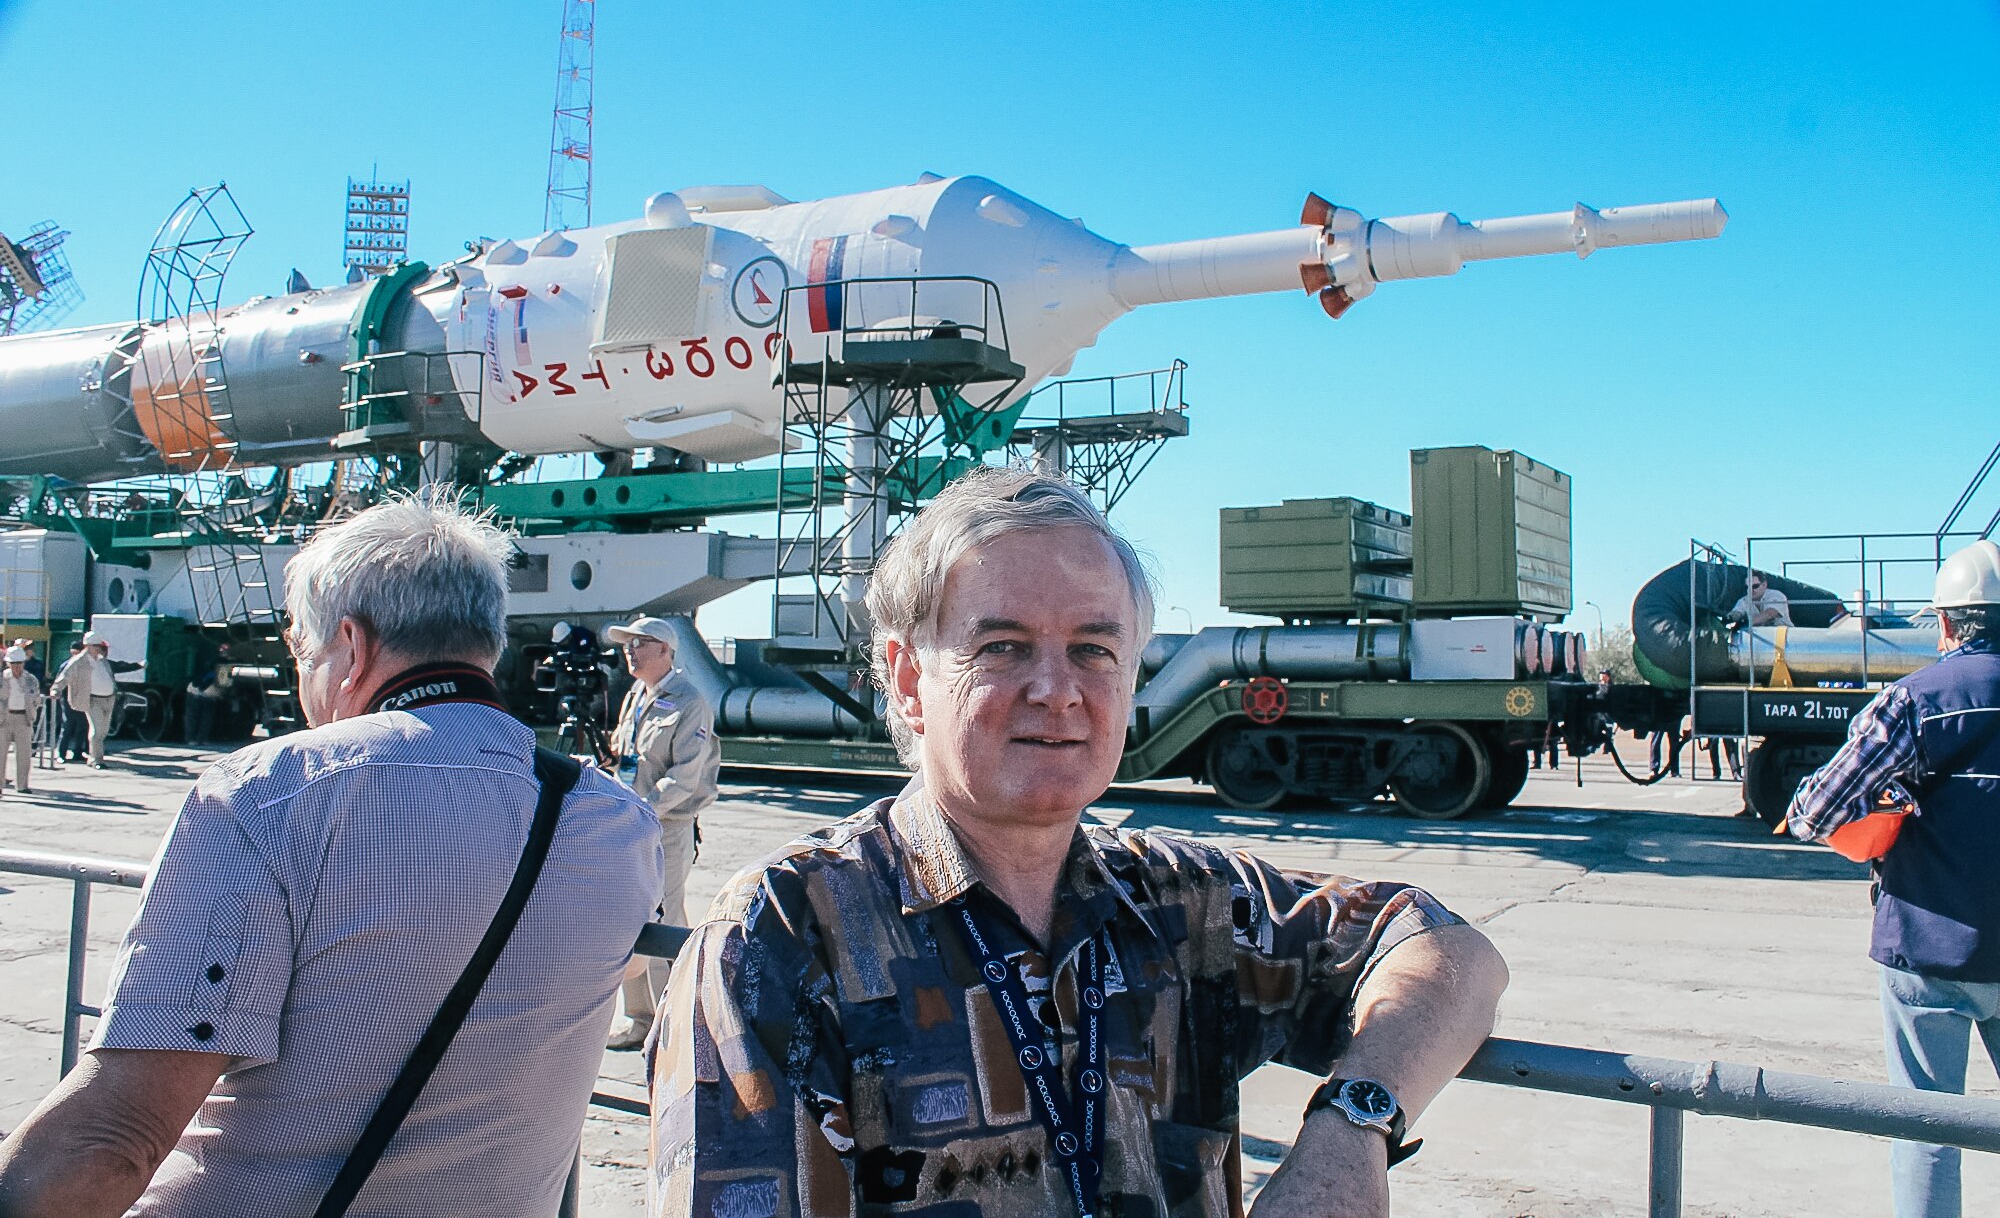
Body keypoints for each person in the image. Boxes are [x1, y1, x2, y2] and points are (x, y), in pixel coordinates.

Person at [648, 469, 1508, 1217]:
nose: (1057, 690)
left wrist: (1351, 1129)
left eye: (1093, 649)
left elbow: (1440, 946)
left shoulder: (1182, 903)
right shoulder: (781, 939)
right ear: (909, 680)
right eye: (1003, 646)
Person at [0, 491, 666, 1217]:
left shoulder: (268, 794)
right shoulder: (618, 822)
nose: (303, 681)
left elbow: (114, 1141)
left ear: (351, 644)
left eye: (302, 652)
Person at [1786, 538, 2000, 1218]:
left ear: (1946, 622)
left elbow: (1815, 813)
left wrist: (1892, 801)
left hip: (1927, 949)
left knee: (1927, 1132)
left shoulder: (1913, 700)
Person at [602, 615, 721, 1052]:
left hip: (666, 828)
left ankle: (676, 1023)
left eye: (640, 643)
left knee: (663, 920)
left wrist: (641, 807)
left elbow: (684, 777)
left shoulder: (690, 701)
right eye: (627, 644)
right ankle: (640, 1018)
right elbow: (630, 757)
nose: (629, 651)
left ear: (665, 651)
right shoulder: (636, 695)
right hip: (630, 823)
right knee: (631, 917)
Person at [49, 632, 121, 768]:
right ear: (88, 646)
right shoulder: (78, 661)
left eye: (99, 646)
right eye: (96, 646)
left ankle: (94, 757)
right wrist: (56, 689)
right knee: (96, 730)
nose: (98, 649)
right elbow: (65, 675)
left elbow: (109, 674)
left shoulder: (102, 660)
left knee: (103, 731)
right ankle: (96, 760)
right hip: (93, 699)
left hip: (108, 699)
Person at [1, 646, 39, 797]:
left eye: (19, 663)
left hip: (23, 718)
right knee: (0, 754)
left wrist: (32, 713)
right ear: (8, 664)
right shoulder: (2, 679)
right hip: (4, 719)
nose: (16, 667)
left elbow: (36, 698)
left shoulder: (30, 680)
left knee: (24, 754)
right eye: (13, 664)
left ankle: (22, 785)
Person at [51, 641, 88, 763]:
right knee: (67, 725)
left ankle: (78, 752)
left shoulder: (84, 666)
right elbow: (59, 681)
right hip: (68, 698)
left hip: (81, 698)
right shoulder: (66, 665)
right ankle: (61, 753)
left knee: (82, 726)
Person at [1727, 569, 1793, 629]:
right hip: (1757, 635)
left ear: (1764, 585)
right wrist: (1729, 618)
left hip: (1783, 634)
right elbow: (1737, 612)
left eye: (1755, 586)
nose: (1751, 590)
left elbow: (1770, 614)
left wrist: (1746, 623)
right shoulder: (1743, 601)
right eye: (1747, 587)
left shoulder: (1776, 595)